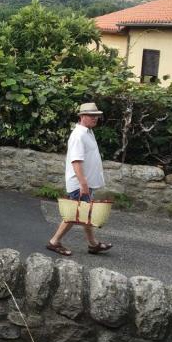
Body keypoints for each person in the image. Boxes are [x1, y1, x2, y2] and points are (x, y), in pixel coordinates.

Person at [47, 102, 113, 256]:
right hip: (80, 183)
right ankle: (54, 242)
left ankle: (93, 244)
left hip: (85, 183)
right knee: (73, 215)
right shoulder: (78, 135)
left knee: (85, 213)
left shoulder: (88, 132)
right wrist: (83, 184)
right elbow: (76, 161)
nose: (95, 118)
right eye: (91, 115)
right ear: (82, 116)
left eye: (96, 116)